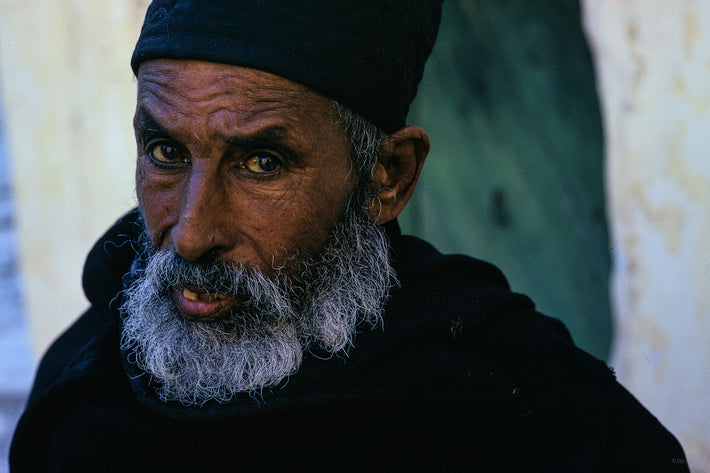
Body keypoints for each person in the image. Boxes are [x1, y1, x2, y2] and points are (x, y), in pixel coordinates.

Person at [10, 1, 689, 471]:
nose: (191, 235)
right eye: (164, 151)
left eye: (262, 162)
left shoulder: (531, 415)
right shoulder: (83, 384)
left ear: (386, 177)